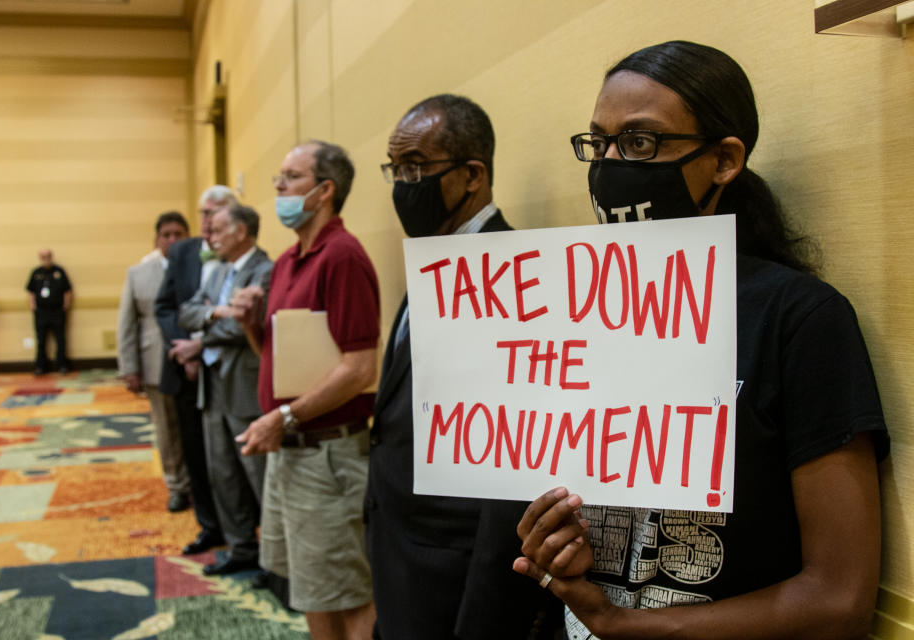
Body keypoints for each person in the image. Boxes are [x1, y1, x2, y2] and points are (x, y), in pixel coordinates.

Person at [513, 41, 890, 640]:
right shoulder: (567, 312)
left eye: (640, 142)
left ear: (724, 160)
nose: (610, 162)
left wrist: (624, 624)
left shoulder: (800, 320)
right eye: (599, 142)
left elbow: (838, 599)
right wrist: (560, 548)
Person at [365, 94, 564, 640]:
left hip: (456, 573)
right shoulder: (433, 256)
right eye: (395, 169)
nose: (402, 185)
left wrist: (486, 617)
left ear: (471, 175)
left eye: (415, 168)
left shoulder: (518, 278)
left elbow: (515, 470)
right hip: (400, 549)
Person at [233, 140, 379, 639]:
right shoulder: (287, 261)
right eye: (279, 176)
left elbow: (359, 369)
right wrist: (254, 325)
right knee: (310, 588)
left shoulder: (342, 255)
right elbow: (287, 366)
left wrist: (284, 418)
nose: (277, 186)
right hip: (290, 451)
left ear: (324, 191)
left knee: (351, 593)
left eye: (291, 177)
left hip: (327, 455)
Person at [179, 204, 273, 576]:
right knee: (222, 473)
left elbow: (245, 328)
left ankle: (274, 559)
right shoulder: (218, 273)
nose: (209, 235)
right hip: (212, 385)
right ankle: (240, 548)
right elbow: (187, 312)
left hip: (245, 386)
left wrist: (202, 336)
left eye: (217, 229)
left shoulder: (266, 271)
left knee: (258, 475)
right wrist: (216, 313)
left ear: (241, 231)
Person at [154, 186, 232, 557]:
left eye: (215, 212)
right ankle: (209, 526)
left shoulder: (240, 250)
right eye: (202, 212)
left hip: (227, 369)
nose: (206, 221)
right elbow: (165, 306)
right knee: (194, 453)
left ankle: (241, 528)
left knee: (230, 457)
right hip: (185, 370)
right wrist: (184, 350)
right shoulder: (183, 250)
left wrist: (203, 348)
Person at [117, 211, 192, 513]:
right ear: (157, 239)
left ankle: (202, 483)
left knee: (196, 428)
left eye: (179, 234)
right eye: (166, 235)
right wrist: (129, 367)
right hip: (153, 362)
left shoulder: (201, 268)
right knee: (167, 429)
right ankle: (177, 486)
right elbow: (126, 323)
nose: (173, 240)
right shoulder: (138, 273)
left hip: (195, 360)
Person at [25, 249, 72, 374]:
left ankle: (62, 365)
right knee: (41, 340)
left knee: (60, 339)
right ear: (40, 258)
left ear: (51, 257)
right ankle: (40, 366)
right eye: (43, 256)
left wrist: (65, 306)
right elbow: (30, 291)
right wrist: (33, 306)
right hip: (41, 311)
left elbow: (67, 290)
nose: (46, 258)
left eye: (48, 256)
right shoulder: (36, 272)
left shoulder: (59, 271)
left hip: (57, 311)